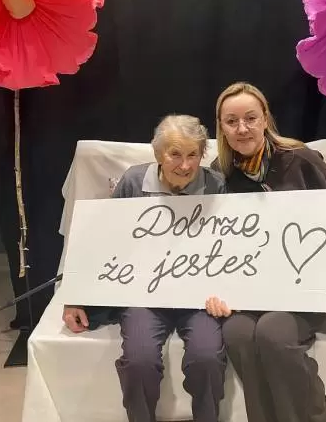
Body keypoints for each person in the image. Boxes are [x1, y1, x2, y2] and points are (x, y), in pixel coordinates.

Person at [205, 82, 326, 422]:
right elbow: (213, 244)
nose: (242, 128)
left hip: (303, 290)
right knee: (237, 333)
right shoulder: (219, 176)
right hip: (251, 293)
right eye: (231, 121)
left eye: (251, 118)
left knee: (273, 333)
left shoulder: (302, 160)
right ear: (221, 127)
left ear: (265, 119)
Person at [63, 115, 227, 422]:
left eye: (193, 154)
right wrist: (75, 296)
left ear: (202, 154)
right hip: (143, 294)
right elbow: (102, 240)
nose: (185, 165)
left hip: (198, 297)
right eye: (175, 154)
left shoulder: (216, 184)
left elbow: (231, 246)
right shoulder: (134, 181)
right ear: (158, 153)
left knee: (207, 358)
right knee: (139, 361)